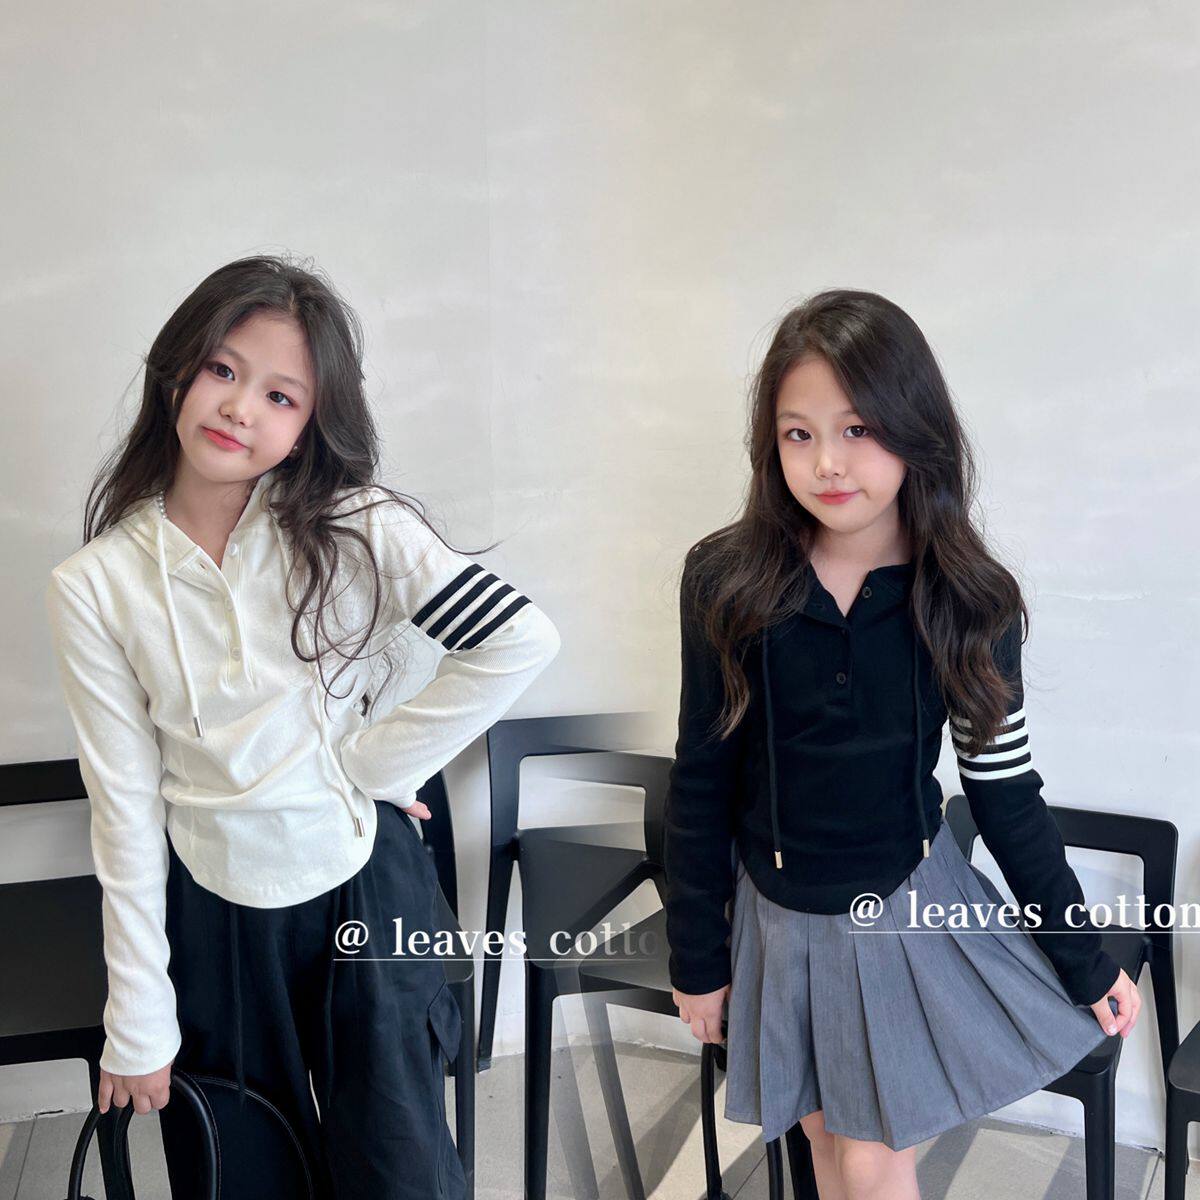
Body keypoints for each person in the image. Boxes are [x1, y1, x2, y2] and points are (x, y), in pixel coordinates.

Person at [44, 254, 561, 1199]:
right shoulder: (97, 584)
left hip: (365, 884)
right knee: (245, 1175)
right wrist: (139, 1014)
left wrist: (371, 763)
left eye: (281, 395)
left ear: (309, 423)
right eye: (223, 369)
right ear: (178, 370)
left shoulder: (357, 525)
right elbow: (124, 806)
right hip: (215, 910)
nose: (240, 407)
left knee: (402, 1170)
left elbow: (517, 640)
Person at [661, 289, 1140, 1199]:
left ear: (915, 429)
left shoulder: (970, 599)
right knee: (825, 1145)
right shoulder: (726, 579)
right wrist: (697, 956)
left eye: (858, 429)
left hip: (900, 907)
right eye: (798, 434)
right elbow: (701, 775)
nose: (827, 462)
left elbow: (1003, 788)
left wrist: (1082, 954)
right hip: (774, 914)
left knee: (872, 1159)